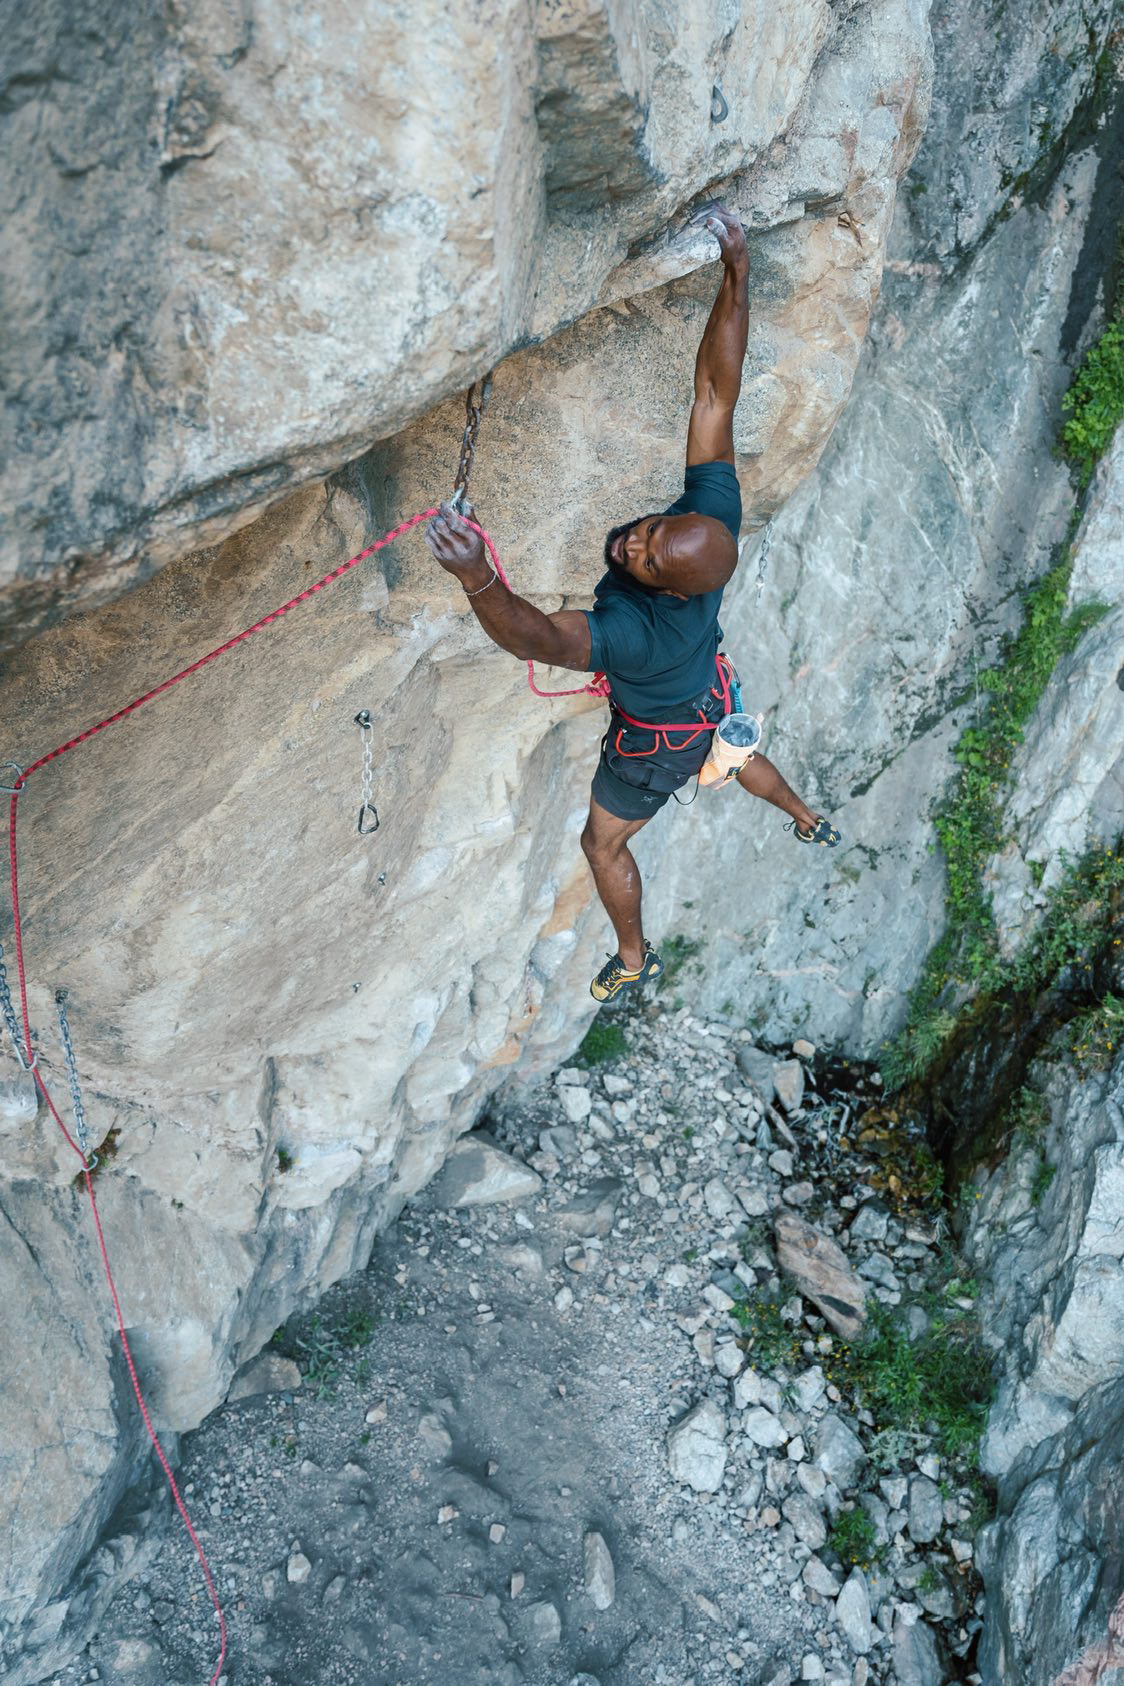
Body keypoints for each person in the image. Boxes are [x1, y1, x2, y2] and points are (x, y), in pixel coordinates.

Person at [426, 205, 840, 1006]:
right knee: (736, 750)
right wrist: (738, 278)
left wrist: (477, 574)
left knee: (602, 842)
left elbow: (537, 638)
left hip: (653, 745)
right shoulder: (710, 523)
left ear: (676, 587)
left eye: (645, 559)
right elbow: (716, 393)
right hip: (705, 700)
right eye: (648, 533)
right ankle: (804, 813)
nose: (630, 548)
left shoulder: (638, 632)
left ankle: (633, 951)